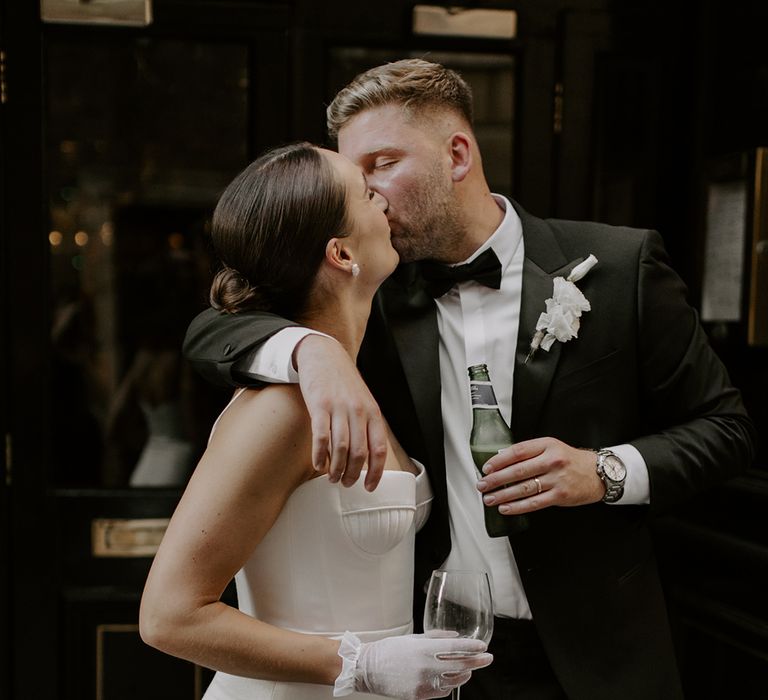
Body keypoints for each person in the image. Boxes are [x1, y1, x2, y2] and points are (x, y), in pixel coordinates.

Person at [182, 61, 756, 699]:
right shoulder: (365, 287)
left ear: (456, 155)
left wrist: (605, 472)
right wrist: (308, 352)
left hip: (596, 656)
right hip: (431, 661)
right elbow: (215, 328)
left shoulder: (621, 266)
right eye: (357, 174)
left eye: (382, 164)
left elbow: (728, 429)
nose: (369, 193)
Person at [139, 142, 493, 700]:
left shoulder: (366, 376)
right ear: (342, 254)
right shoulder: (283, 411)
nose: (383, 200)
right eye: (365, 191)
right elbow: (168, 615)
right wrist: (364, 664)